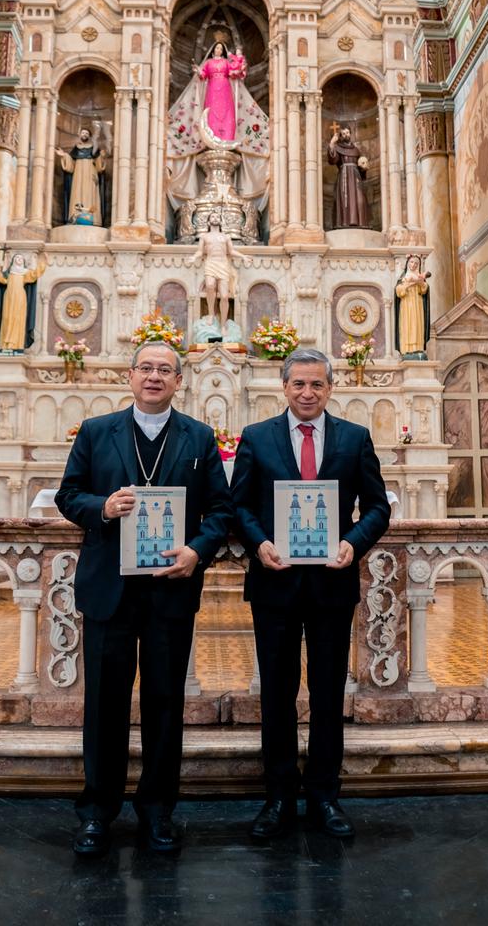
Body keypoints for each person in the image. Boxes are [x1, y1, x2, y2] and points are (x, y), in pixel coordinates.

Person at [55, 342, 233, 858]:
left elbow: (221, 510)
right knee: (104, 706)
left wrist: (197, 551)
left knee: (164, 703)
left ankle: (157, 811)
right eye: (146, 368)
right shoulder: (96, 431)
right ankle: (97, 812)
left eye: (165, 370)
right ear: (130, 376)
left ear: (179, 381)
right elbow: (68, 495)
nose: (154, 377)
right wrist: (103, 506)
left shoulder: (199, 437)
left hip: (169, 587)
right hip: (109, 589)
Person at [231, 347, 390, 840]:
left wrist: (352, 543)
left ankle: (324, 795)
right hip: (274, 583)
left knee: (327, 694)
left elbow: (378, 507)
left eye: (317, 384)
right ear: (284, 387)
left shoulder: (354, 438)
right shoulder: (257, 437)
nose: (307, 392)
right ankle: (278, 796)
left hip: (331, 584)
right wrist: (258, 543)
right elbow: (239, 506)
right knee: (277, 694)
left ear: (330, 388)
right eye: (298, 384)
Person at [189, 212, 250, 327]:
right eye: (212, 216)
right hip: (210, 263)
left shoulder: (226, 237)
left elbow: (231, 251)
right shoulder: (204, 237)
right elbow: (200, 251)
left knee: (224, 296)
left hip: (223, 265)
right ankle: (211, 314)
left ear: (221, 221)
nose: (215, 218)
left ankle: (223, 325)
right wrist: (194, 257)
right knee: (210, 285)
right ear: (208, 221)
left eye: (217, 217)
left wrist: (243, 256)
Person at [0, 252, 44, 352]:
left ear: (23, 262)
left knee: (18, 319)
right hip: (9, 298)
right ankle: (5, 344)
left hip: (20, 298)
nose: (19, 259)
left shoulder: (25, 273)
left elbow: (35, 274)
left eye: (21, 258)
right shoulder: (9, 273)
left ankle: (16, 345)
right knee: (7, 318)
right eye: (17, 257)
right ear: (13, 260)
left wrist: (43, 263)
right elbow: (1, 279)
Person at [192, 41, 244, 141]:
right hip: (212, 89)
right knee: (211, 111)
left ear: (223, 51)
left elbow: (233, 72)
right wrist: (197, 71)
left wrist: (238, 60)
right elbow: (203, 75)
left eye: (221, 48)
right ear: (213, 50)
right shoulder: (208, 62)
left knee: (226, 112)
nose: (219, 50)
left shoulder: (226, 62)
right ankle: (212, 138)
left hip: (225, 90)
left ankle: (227, 139)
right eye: (217, 48)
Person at [55, 127, 107, 226]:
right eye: (83, 133)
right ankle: (75, 218)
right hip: (78, 175)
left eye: (86, 133)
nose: (84, 134)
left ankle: (92, 219)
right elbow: (71, 164)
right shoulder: (76, 148)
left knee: (90, 192)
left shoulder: (94, 148)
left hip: (90, 174)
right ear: (80, 135)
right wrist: (64, 155)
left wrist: (101, 157)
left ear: (89, 136)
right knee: (77, 191)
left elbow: (99, 165)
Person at [327, 126, 369, 228]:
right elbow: (333, 160)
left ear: (350, 133)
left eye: (347, 132)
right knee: (344, 199)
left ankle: (360, 223)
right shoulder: (338, 148)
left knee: (359, 199)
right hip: (344, 176)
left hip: (356, 176)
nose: (346, 135)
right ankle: (344, 222)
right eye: (344, 133)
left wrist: (364, 168)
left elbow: (361, 165)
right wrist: (332, 143)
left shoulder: (356, 150)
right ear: (341, 136)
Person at [394, 255, 430, 357]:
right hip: (406, 304)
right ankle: (406, 349)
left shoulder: (419, 276)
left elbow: (424, 290)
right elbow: (398, 292)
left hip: (417, 304)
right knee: (407, 324)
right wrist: (409, 284)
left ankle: (418, 348)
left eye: (416, 263)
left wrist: (420, 282)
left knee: (417, 324)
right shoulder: (403, 278)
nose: (413, 265)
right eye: (411, 262)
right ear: (407, 263)